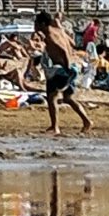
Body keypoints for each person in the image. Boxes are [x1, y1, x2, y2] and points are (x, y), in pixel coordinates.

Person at [33, 7, 94, 135]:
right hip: (72, 67)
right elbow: (72, 42)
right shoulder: (58, 29)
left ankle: (55, 127)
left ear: (42, 24)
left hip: (62, 70)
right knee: (68, 98)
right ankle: (87, 121)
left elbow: (63, 51)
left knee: (51, 98)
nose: (35, 26)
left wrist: (67, 68)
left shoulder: (50, 37)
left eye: (36, 23)